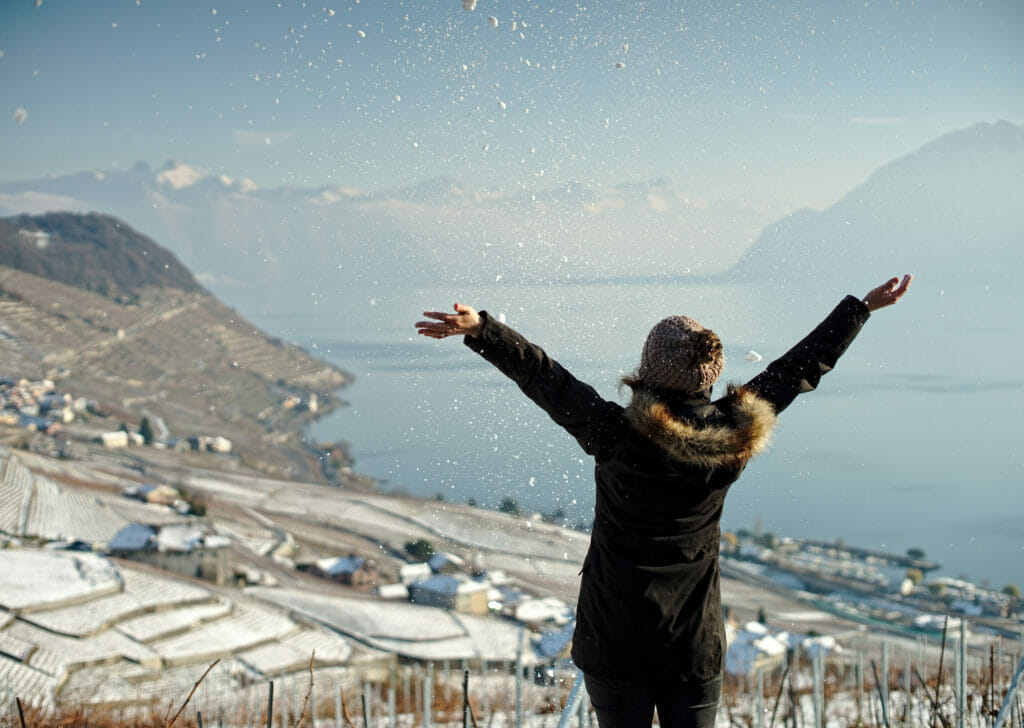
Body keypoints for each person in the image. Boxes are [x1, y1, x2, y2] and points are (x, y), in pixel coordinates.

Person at [415, 275, 912, 728]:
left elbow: (546, 378)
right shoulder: (732, 435)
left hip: (614, 639)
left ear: (649, 370)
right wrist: (859, 309)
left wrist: (481, 329)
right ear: (709, 375)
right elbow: (796, 370)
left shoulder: (613, 433)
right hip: (691, 645)